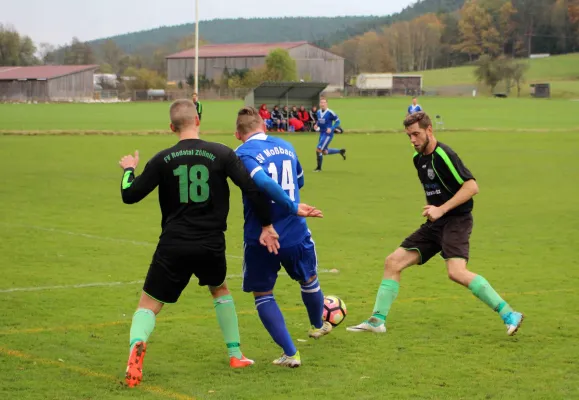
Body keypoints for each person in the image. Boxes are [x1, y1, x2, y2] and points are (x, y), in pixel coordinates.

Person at [119, 99, 282, 388]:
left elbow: (130, 195)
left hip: (174, 243)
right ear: (198, 121)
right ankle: (235, 354)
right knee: (220, 290)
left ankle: (137, 346)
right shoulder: (222, 153)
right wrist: (267, 225)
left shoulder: (162, 158)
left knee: (149, 303)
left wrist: (129, 169)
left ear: (171, 126)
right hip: (211, 243)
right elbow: (253, 189)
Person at [347, 111, 524, 336]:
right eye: (409, 135)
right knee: (392, 262)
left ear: (429, 130)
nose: (412, 140)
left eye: (416, 134)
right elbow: (435, 189)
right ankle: (377, 321)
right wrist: (433, 209)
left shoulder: (444, 154)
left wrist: (441, 209)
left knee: (456, 272)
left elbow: (471, 187)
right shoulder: (417, 158)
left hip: (456, 221)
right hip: (435, 223)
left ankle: (510, 314)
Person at [234, 106, 333, 368]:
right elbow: (298, 183)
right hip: (296, 232)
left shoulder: (242, 154)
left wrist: (287, 206)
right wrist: (291, 206)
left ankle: (291, 353)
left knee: (263, 293)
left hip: (262, 236)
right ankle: (317, 325)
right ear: (264, 126)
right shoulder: (286, 146)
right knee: (309, 279)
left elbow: (264, 184)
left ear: (237, 134)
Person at [314, 98, 346, 172]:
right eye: (321, 102)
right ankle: (340, 151)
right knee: (324, 152)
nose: (322, 104)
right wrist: (316, 125)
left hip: (327, 134)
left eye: (324, 102)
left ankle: (319, 168)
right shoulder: (318, 112)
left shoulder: (330, 112)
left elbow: (338, 121)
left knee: (318, 149)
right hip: (322, 133)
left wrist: (331, 128)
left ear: (326, 104)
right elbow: (319, 121)